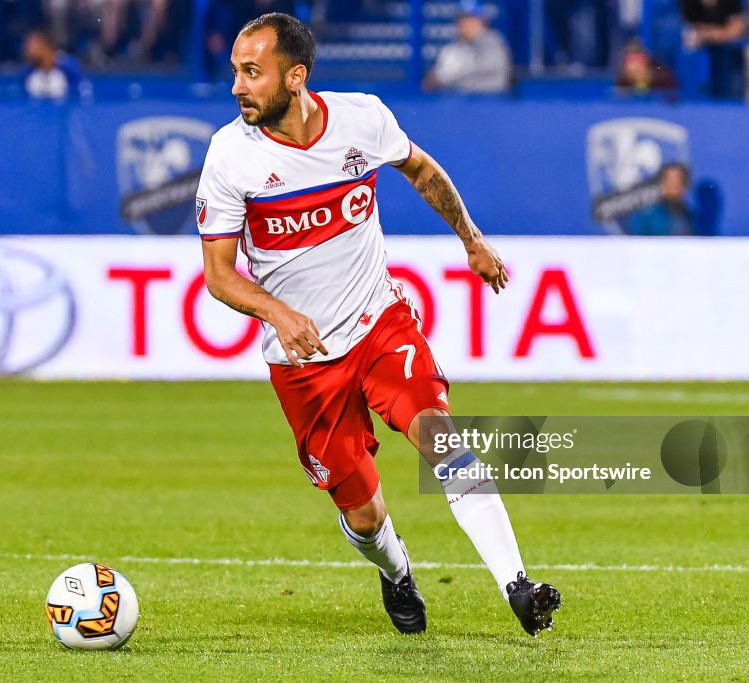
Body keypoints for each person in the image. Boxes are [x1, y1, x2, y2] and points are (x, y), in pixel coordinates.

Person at [196, 12, 561, 636]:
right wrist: (279, 314)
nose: (237, 86)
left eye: (252, 72)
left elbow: (420, 169)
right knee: (364, 513)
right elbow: (219, 275)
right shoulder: (231, 156)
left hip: (379, 324)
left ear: (296, 76)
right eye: (236, 71)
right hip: (305, 363)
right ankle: (396, 573)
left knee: (442, 438)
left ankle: (517, 586)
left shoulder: (362, 118)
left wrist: (472, 241)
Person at [423, 1, 512, 94]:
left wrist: (443, 78)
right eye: (462, 20)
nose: (465, 24)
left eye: (471, 19)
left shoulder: (495, 43)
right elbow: (433, 80)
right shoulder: (453, 49)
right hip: (457, 103)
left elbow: (488, 67)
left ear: (482, 21)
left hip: (491, 102)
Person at [679, 0, 746, 98]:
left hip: (724, 42)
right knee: (689, 47)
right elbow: (689, 30)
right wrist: (717, 32)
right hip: (697, 41)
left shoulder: (732, 2)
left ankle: (725, 99)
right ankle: (690, 97)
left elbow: (736, 30)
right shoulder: (688, 2)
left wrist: (712, 34)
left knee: (726, 53)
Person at [629, 163, 696, 236]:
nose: (674, 185)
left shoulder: (689, 215)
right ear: (661, 182)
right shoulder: (647, 214)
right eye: (670, 181)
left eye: (678, 180)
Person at [21, 28, 84, 100]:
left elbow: (80, 91)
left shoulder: (68, 67)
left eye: (31, 45)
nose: (26, 49)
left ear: (44, 46)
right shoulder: (27, 73)